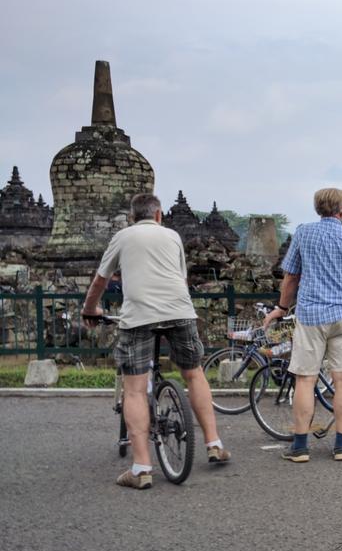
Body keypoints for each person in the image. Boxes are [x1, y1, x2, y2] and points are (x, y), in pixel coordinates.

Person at [82, 193, 231, 490]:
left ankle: (141, 468)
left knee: (135, 389)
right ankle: (214, 443)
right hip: (180, 311)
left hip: (138, 316)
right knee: (193, 373)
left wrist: (89, 309)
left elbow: (101, 280)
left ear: (132, 217)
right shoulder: (173, 236)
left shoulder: (123, 236)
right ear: (160, 215)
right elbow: (180, 275)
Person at [263, 187, 342, 463]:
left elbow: (291, 276)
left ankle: (301, 447)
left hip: (312, 314)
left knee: (305, 378)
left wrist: (281, 307)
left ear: (318, 209)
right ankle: (341, 445)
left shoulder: (304, 233)